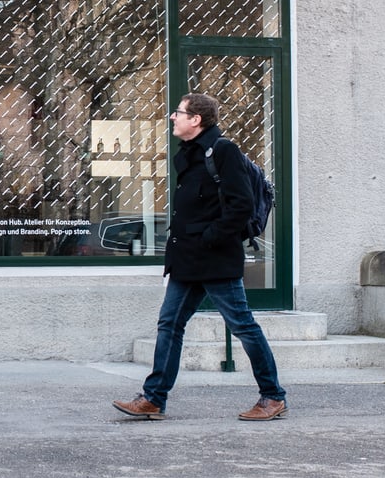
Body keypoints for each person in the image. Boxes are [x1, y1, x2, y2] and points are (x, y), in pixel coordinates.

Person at [112, 93, 287, 421]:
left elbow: (241, 206)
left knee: (242, 325)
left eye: (178, 113)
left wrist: (209, 238)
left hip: (215, 259)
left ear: (196, 119)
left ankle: (273, 396)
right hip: (187, 259)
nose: (172, 117)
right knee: (170, 323)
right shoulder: (190, 154)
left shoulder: (223, 151)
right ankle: (153, 398)